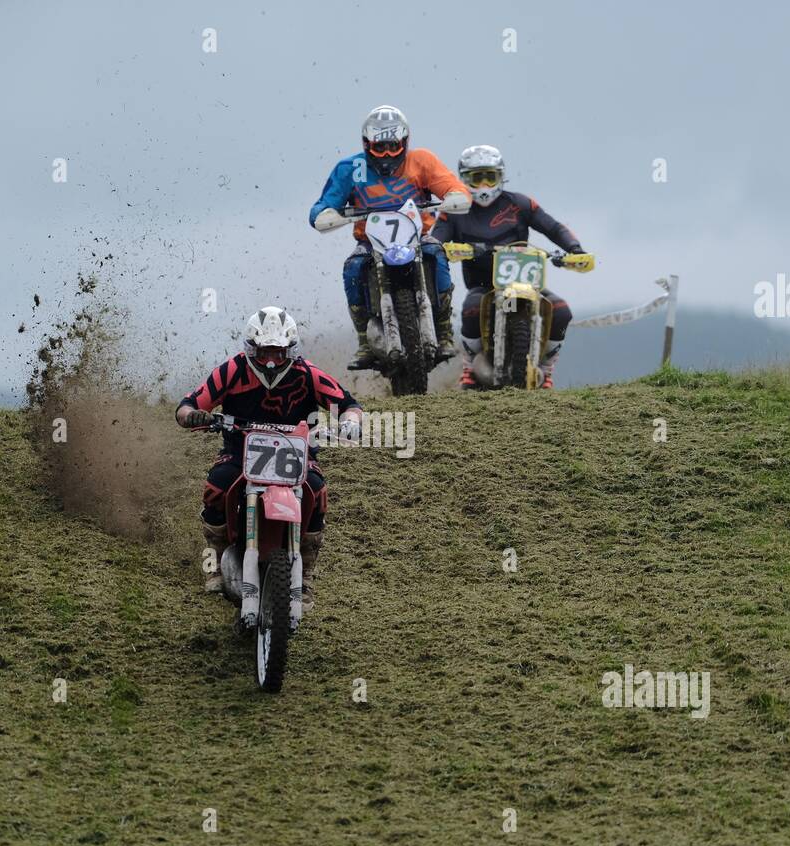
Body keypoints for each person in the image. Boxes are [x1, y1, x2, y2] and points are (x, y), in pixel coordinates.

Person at [175, 307, 362, 610]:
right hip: (240, 452)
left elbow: (348, 403)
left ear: (290, 349)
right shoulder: (232, 371)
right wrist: (195, 416)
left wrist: (350, 422)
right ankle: (216, 558)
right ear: (252, 348)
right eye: (264, 352)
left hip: (296, 456)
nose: (272, 361)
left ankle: (306, 574)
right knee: (217, 485)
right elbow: (188, 404)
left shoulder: (308, 374)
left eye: (278, 352)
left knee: (317, 490)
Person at [309, 105, 472, 367]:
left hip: (417, 238)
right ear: (366, 143)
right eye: (379, 147)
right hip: (370, 242)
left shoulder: (422, 161)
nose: (386, 154)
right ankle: (364, 339)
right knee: (352, 267)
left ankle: (443, 332)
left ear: (404, 142)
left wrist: (456, 196)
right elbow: (324, 202)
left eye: (393, 146)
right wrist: (325, 213)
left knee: (437, 253)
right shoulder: (350, 168)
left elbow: (452, 185)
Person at [432, 145, 590, 388]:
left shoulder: (520, 204)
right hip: (482, 286)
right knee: (471, 308)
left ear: (501, 176)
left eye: (490, 177)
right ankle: (469, 366)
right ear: (464, 178)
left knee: (561, 310)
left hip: (525, 283)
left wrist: (574, 249)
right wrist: (445, 248)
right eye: (477, 177)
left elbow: (553, 227)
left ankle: (546, 369)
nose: (484, 184)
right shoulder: (455, 209)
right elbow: (436, 241)